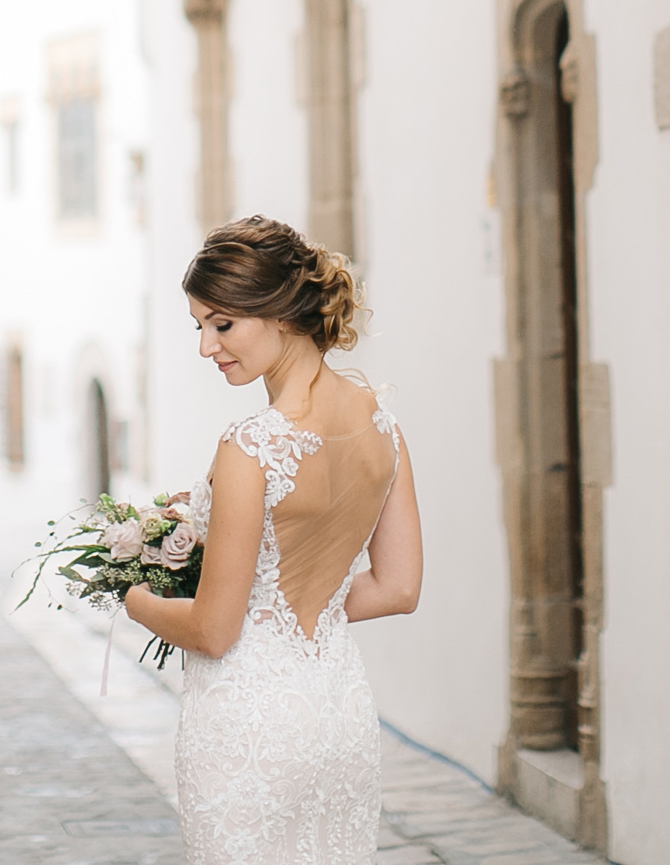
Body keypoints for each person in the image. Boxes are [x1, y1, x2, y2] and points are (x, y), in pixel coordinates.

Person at [124, 216, 425, 865]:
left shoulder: (251, 445)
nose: (207, 346)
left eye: (222, 323)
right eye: (200, 326)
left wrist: (135, 598)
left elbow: (212, 629)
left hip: (249, 722)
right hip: (338, 713)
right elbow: (399, 587)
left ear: (282, 311)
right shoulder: (385, 428)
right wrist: (288, 615)